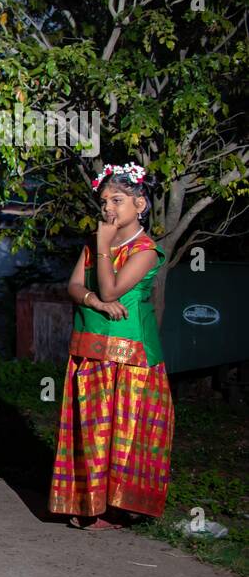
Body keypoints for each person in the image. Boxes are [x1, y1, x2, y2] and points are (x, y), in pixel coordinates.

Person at [49, 162, 173, 529]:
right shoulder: (95, 244)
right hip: (90, 351)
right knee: (89, 433)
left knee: (124, 436)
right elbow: (74, 287)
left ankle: (115, 510)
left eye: (118, 200)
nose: (108, 209)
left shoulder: (147, 249)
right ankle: (88, 504)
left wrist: (102, 247)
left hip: (131, 356)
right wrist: (95, 303)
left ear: (141, 205)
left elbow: (112, 288)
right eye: (104, 201)